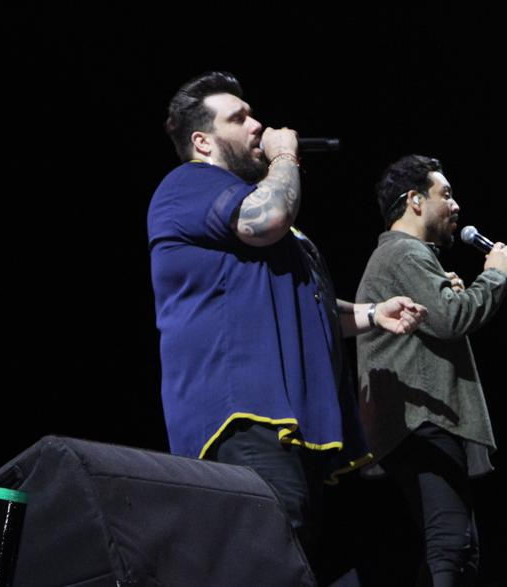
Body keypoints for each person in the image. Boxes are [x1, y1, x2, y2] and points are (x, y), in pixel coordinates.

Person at [146, 72, 426, 574]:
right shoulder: (187, 185)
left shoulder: (242, 207)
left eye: (252, 114)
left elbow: (302, 303)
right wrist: (284, 158)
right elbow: (272, 216)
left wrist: (370, 314)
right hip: (242, 417)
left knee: (296, 557)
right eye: (239, 118)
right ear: (202, 141)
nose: (257, 125)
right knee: (270, 559)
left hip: (288, 424)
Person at [355, 155, 507, 586]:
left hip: (417, 420)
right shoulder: (403, 251)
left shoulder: (406, 256)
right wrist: (495, 276)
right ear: (415, 200)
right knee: (450, 542)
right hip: (421, 419)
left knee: (458, 546)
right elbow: (451, 319)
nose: (456, 206)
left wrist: (450, 293)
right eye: (445, 194)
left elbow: (439, 316)